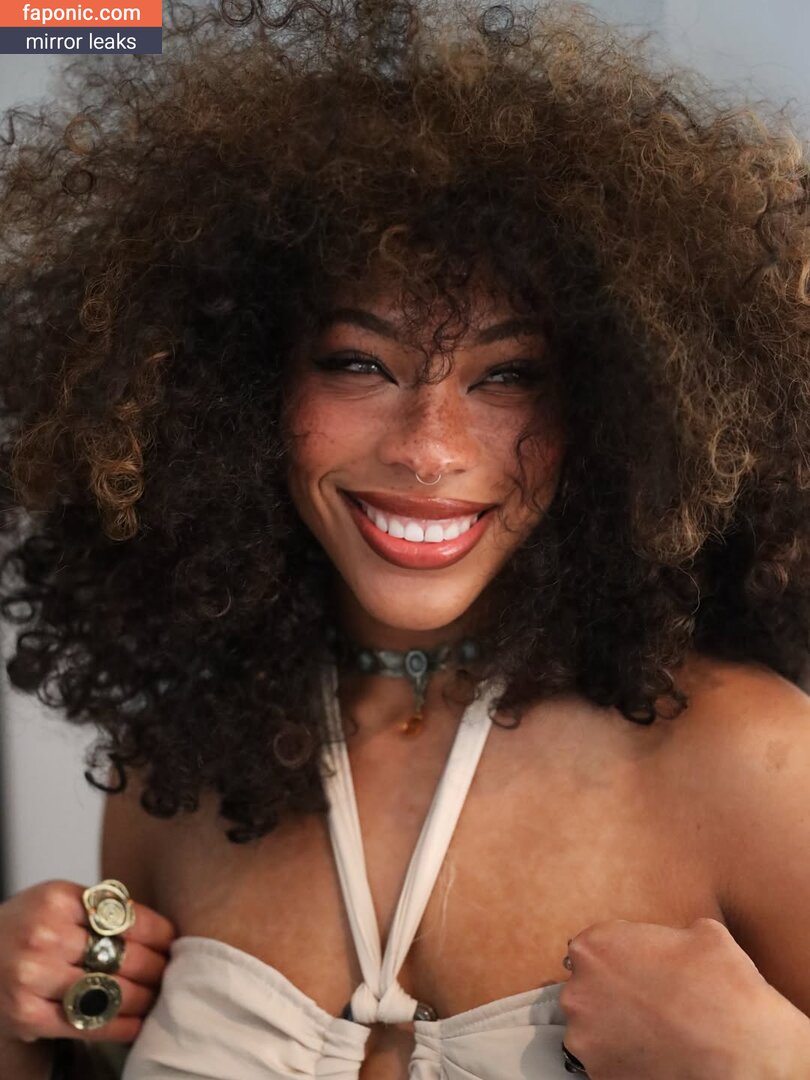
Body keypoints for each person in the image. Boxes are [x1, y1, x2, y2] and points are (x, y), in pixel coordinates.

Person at [0, 0, 809, 1076]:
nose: (429, 449)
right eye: (359, 364)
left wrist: (774, 1061)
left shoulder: (751, 762)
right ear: (235, 387)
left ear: (617, 407)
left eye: (507, 376)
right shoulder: (177, 776)